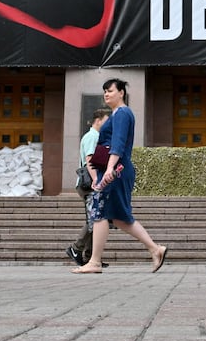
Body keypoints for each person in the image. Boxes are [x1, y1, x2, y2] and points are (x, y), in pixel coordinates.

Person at [71, 78, 168, 275]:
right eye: (104, 91)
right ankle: (155, 249)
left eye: (110, 91)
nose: (106, 94)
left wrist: (109, 169)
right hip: (117, 170)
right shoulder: (117, 114)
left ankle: (95, 262)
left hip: (115, 171)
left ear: (121, 93)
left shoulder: (122, 113)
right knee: (121, 217)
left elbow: (118, 142)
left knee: (99, 212)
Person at [65, 107, 111, 266]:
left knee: (97, 218)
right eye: (106, 122)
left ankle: (90, 257)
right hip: (89, 184)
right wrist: (97, 181)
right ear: (98, 121)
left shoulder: (94, 136)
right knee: (95, 218)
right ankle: (76, 248)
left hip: (90, 183)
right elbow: (89, 160)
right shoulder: (93, 136)